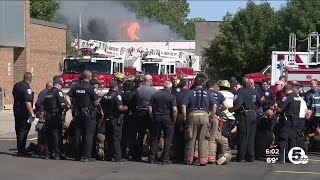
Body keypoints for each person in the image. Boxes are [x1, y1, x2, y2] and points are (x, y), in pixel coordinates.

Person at [65, 70, 100, 162]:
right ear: (90, 77)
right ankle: (86, 156)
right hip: (88, 114)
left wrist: (72, 106)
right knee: (88, 135)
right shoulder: (90, 88)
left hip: (77, 114)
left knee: (77, 134)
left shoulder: (75, 86)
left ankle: (76, 155)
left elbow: (66, 97)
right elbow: (96, 102)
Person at [182, 74, 217, 166]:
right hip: (204, 115)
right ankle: (203, 159)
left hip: (192, 115)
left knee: (191, 138)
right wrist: (211, 116)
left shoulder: (189, 92)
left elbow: (183, 105)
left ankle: (189, 159)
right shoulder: (208, 93)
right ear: (203, 83)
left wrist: (185, 117)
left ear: (195, 82)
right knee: (203, 138)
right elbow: (214, 105)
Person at [229, 77, 261, 162]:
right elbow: (259, 103)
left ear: (242, 84)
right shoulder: (255, 91)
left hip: (244, 115)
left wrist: (231, 110)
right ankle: (250, 156)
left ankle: (241, 156)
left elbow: (238, 104)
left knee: (243, 136)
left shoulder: (241, 92)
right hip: (253, 114)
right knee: (251, 136)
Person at [148, 81, 178, 164]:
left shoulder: (156, 94)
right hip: (167, 118)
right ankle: (165, 159)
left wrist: (152, 116)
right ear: (170, 88)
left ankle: (152, 158)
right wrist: (174, 119)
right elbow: (174, 110)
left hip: (157, 117)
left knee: (155, 138)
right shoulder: (171, 96)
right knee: (168, 139)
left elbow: (149, 107)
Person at [100, 80, 128, 162]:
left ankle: (108, 155)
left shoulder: (105, 96)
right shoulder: (117, 96)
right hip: (115, 119)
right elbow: (120, 108)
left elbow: (99, 104)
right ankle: (117, 156)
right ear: (116, 87)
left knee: (108, 137)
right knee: (116, 138)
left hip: (107, 118)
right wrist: (126, 107)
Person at [133, 74, 158, 161]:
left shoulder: (138, 90)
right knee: (153, 136)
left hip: (140, 113)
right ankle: (152, 157)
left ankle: (137, 155)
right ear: (150, 81)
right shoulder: (154, 91)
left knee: (140, 135)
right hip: (150, 114)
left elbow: (135, 101)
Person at [275, 84, 301, 163]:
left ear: (286, 90)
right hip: (296, 120)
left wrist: (276, 107)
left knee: (283, 138)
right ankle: (293, 157)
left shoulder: (287, 98)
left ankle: (281, 158)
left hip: (287, 120)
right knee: (292, 139)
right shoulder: (297, 97)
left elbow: (280, 109)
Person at [43, 80, 68, 160]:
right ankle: (57, 154)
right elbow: (62, 104)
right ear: (58, 85)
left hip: (48, 116)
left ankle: (47, 154)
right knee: (57, 135)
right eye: (61, 86)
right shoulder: (58, 92)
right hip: (55, 116)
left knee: (48, 135)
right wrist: (68, 107)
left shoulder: (47, 93)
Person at [12, 72, 35, 157]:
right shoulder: (27, 88)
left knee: (18, 130)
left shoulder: (17, 85)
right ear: (30, 79)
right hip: (24, 112)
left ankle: (19, 149)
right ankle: (21, 150)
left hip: (16, 111)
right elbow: (27, 101)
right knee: (24, 130)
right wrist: (32, 112)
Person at [206, 80, 226, 163]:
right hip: (215, 116)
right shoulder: (219, 94)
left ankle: (203, 156)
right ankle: (211, 157)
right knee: (213, 137)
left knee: (203, 137)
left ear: (206, 86)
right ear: (213, 86)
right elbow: (225, 106)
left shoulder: (205, 93)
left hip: (206, 116)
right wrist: (219, 111)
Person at [171, 78, 189, 161]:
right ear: (186, 84)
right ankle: (182, 154)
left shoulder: (174, 91)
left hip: (175, 114)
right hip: (183, 114)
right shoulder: (187, 93)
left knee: (176, 135)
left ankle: (176, 153)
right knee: (184, 136)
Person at [35, 81, 53, 156]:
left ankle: (44, 148)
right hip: (42, 114)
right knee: (41, 131)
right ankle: (41, 150)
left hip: (45, 113)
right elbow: (38, 103)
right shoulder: (44, 93)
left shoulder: (46, 92)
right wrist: (42, 110)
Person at [121, 80, 135, 159]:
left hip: (123, 117)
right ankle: (131, 152)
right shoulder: (134, 95)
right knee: (132, 136)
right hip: (132, 117)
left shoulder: (121, 95)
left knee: (124, 136)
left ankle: (123, 152)